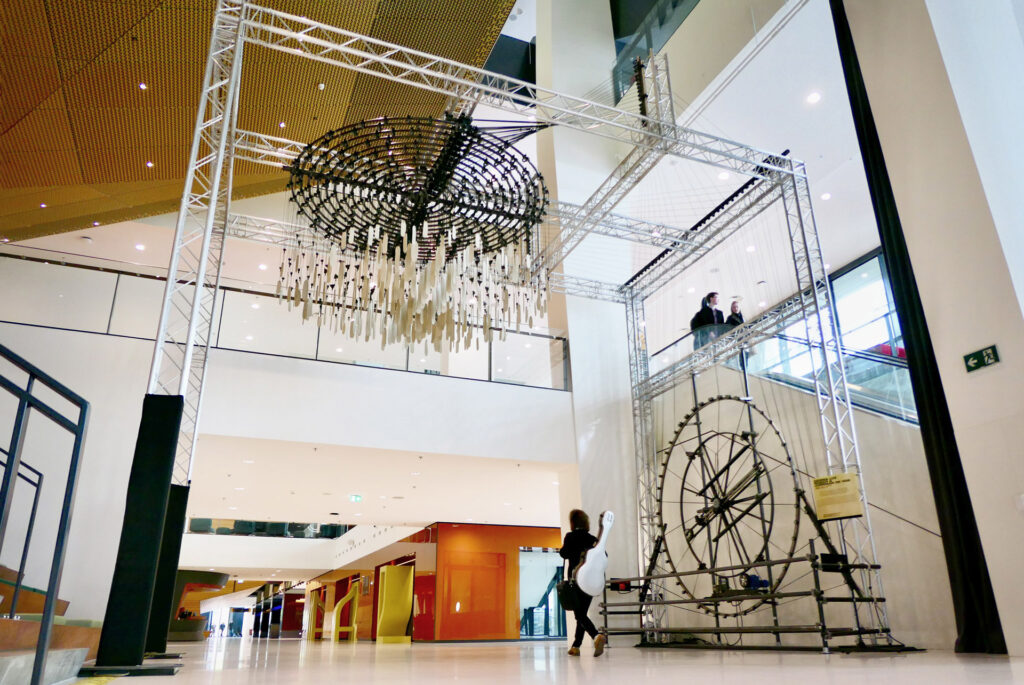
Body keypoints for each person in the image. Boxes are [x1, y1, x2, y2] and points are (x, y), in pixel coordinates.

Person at [559, 509, 607, 657]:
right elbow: (604, 555)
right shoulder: (592, 539)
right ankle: (576, 646)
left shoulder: (570, 537)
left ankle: (596, 636)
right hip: (591, 581)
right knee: (581, 613)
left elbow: (563, 553)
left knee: (579, 614)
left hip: (576, 580)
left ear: (573, 523)